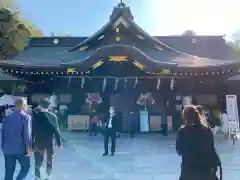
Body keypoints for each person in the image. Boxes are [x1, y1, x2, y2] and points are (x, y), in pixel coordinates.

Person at [176, 105, 222, 180]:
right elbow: (211, 149)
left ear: (185, 117)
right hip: (206, 170)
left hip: (189, 170)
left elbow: (180, 151)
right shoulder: (207, 130)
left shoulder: (182, 132)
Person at [1, 98, 31, 180]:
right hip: (20, 149)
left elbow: (3, 133)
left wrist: (2, 147)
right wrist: (28, 149)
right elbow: (27, 135)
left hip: (7, 149)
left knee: (9, 172)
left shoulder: (6, 117)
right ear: (24, 105)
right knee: (26, 168)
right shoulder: (26, 117)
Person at [32, 98, 62, 180]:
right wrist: (59, 143)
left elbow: (32, 130)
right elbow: (56, 130)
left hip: (38, 140)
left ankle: (37, 177)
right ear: (48, 106)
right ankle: (48, 176)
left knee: (38, 160)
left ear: (40, 105)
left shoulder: (35, 116)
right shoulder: (53, 116)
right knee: (49, 159)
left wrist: (31, 142)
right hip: (49, 141)